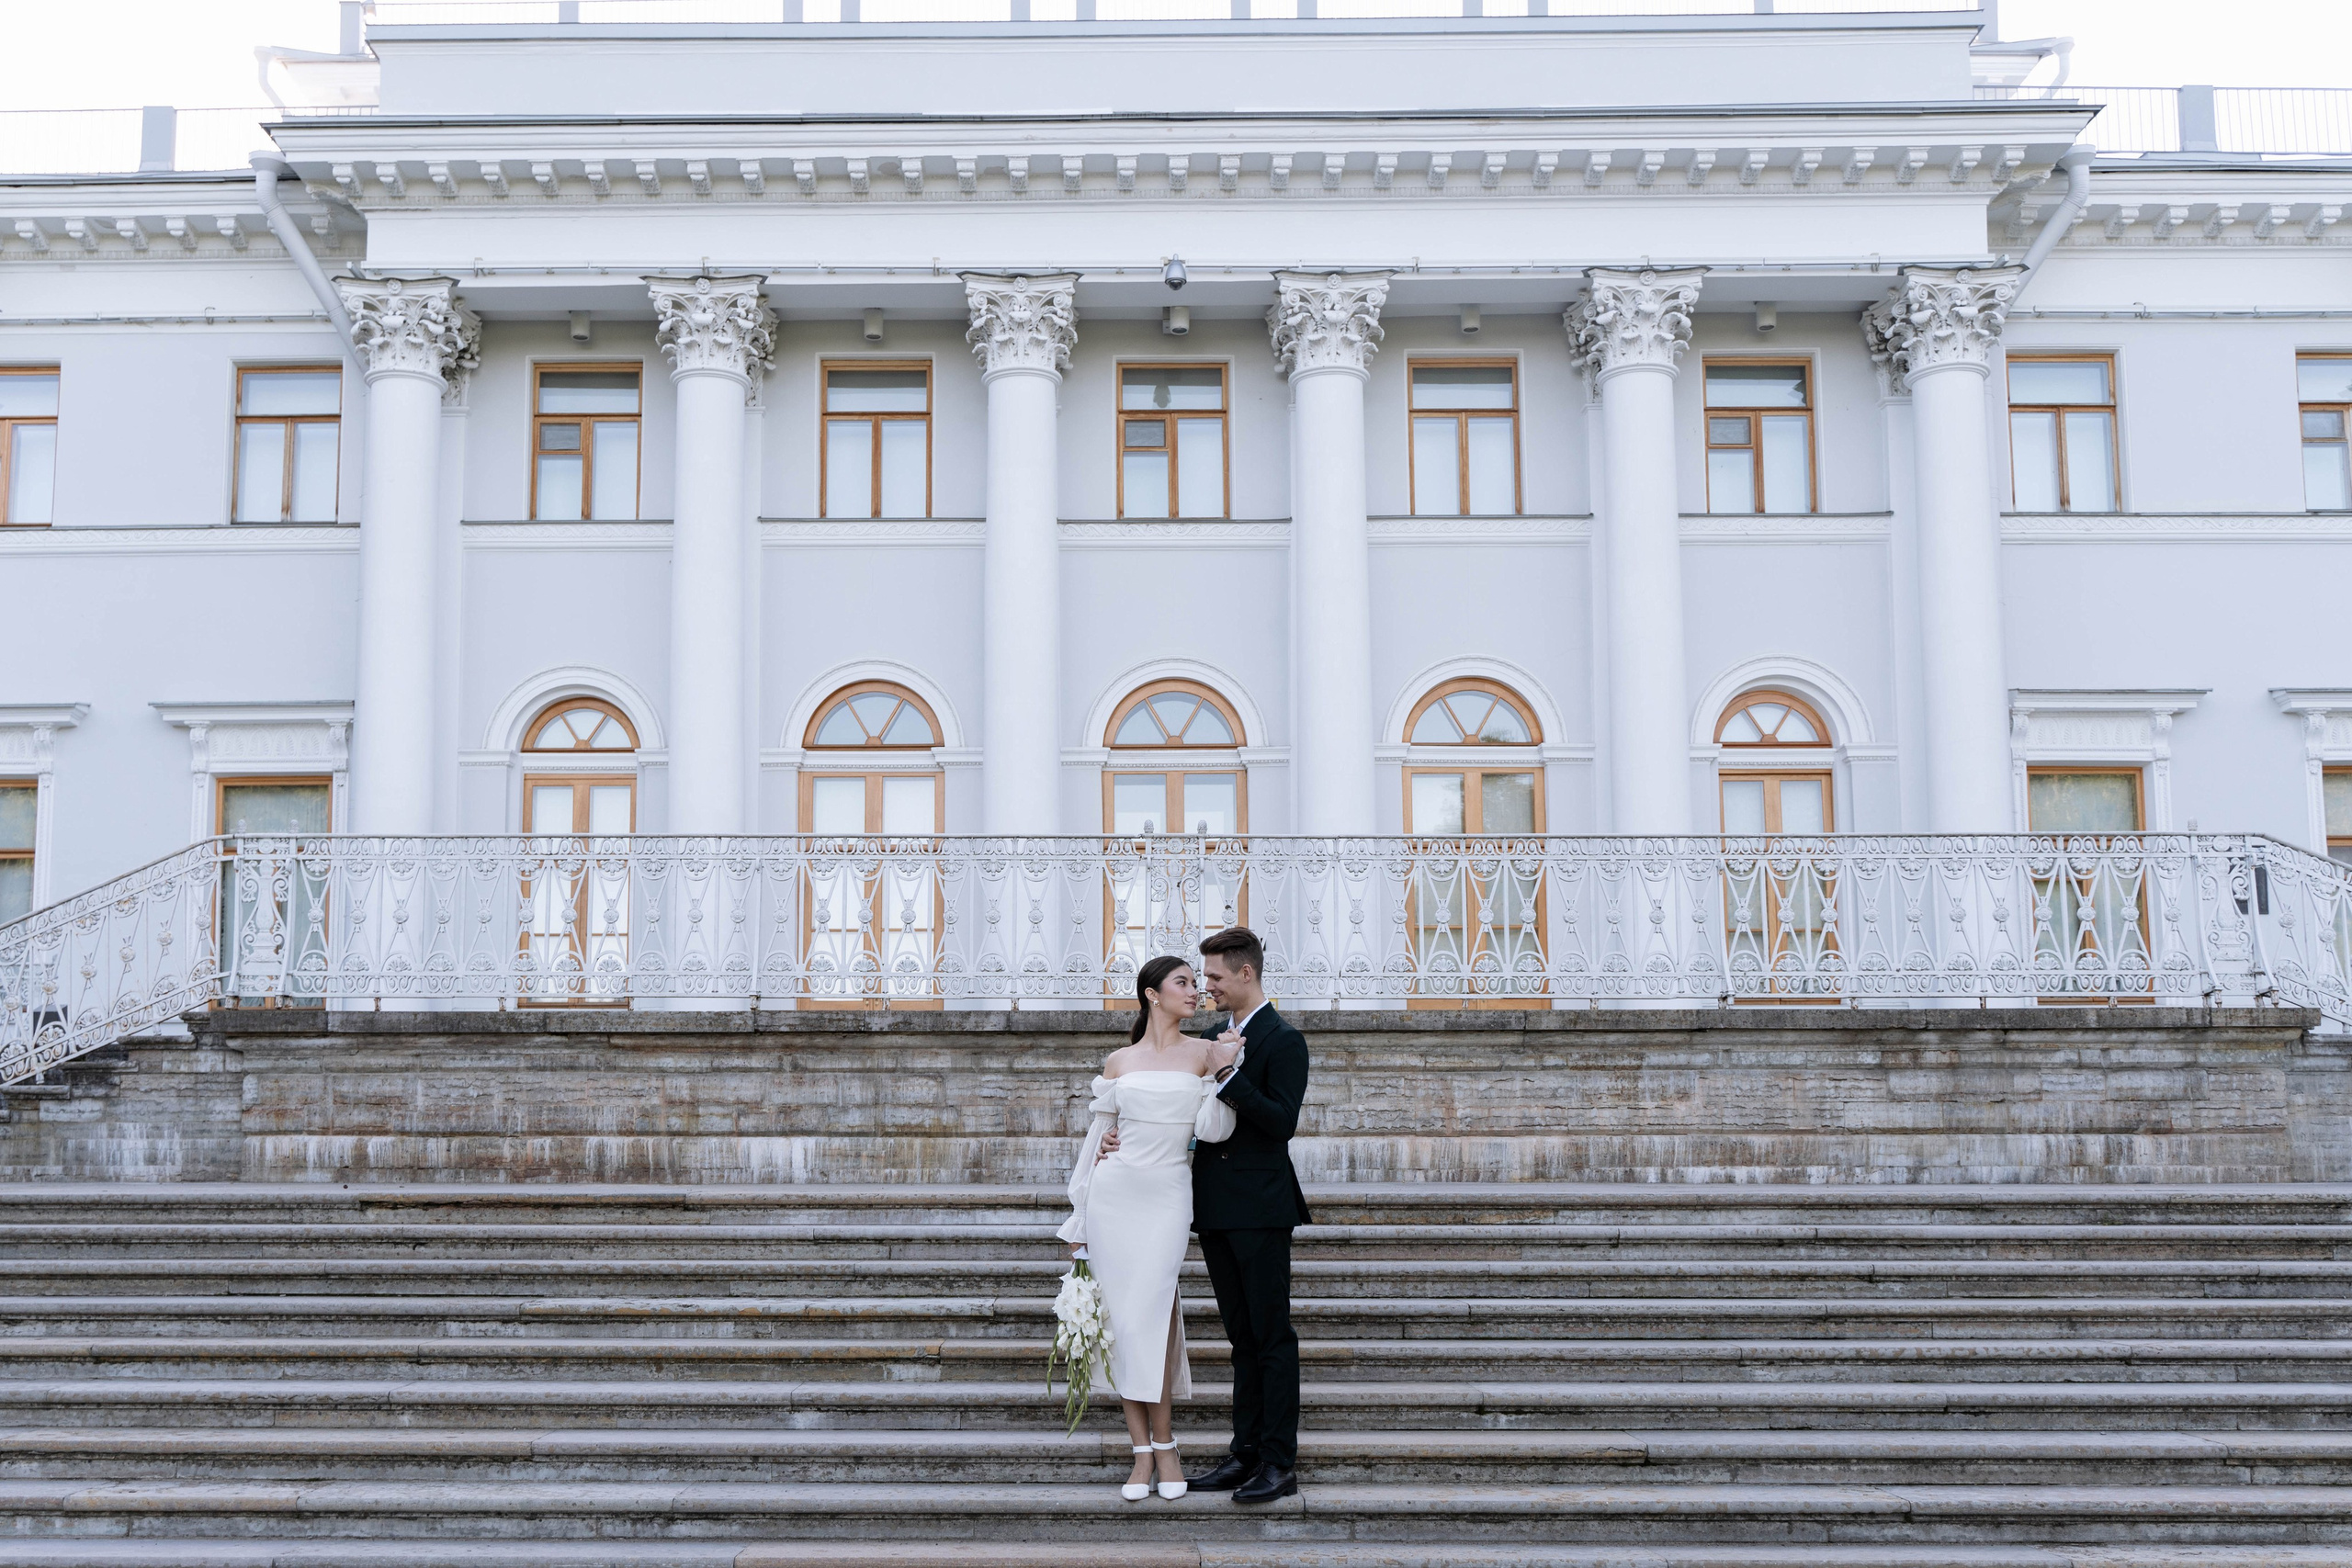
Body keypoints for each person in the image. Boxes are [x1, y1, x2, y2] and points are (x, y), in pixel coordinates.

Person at [1057, 954, 1240, 1501]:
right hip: (1115, 1196)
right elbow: (1097, 1143)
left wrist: (1223, 1071)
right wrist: (1080, 1220)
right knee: (1121, 1322)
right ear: (1152, 995)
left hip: (1167, 1195)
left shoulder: (1209, 1051)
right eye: (1183, 983)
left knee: (1153, 1317)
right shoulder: (1119, 1061)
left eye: (1197, 983)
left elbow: (1213, 1130)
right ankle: (1144, 1453)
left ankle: (1167, 1446)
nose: (1197, 991)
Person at [1150, 926, 1314, 1504]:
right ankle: (1244, 1454)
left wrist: (1227, 1075)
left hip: (1262, 1207)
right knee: (1241, 1338)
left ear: (1246, 973)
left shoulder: (1284, 1040)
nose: (1207, 988)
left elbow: (1280, 1122)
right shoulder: (1217, 1035)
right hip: (1215, 1206)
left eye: (1215, 977)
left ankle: (1278, 1461)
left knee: (1271, 1337)